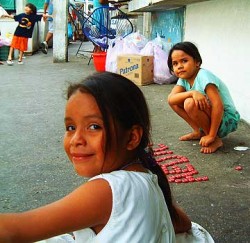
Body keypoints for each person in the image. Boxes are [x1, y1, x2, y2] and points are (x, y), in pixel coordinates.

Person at [0, 71, 196, 242]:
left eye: (94, 127)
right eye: (70, 127)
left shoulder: (108, 191)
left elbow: (12, 232)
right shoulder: (147, 177)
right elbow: (184, 223)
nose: (76, 139)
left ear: (132, 137)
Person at [167, 41, 240, 154]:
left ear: (197, 62)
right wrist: (192, 93)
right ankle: (198, 131)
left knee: (189, 103)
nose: (180, 66)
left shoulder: (204, 76)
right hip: (214, 115)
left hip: (227, 118)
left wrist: (211, 135)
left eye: (184, 61)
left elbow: (218, 105)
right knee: (178, 102)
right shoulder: (183, 78)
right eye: (175, 63)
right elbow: (171, 99)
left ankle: (214, 139)